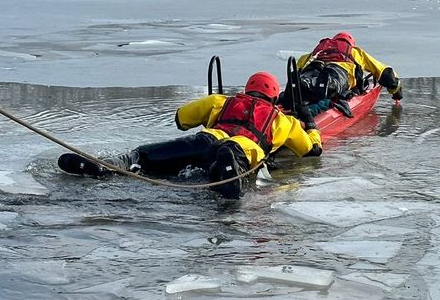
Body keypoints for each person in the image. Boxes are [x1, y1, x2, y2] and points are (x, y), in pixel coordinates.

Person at [58, 72, 321, 197]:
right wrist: (310, 123)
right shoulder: (283, 120)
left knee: (143, 157)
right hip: (241, 148)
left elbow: (181, 119)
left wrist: (211, 109)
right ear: (274, 96)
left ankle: (112, 165)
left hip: (205, 140)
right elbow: (311, 151)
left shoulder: (222, 101)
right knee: (230, 161)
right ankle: (226, 170)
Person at [287, 32, 402, 119]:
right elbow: (385, 72)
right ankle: (328, 86)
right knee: (333, 83)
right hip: (339, 71)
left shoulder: (318, 51)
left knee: (306, 80)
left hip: (313, 67)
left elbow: (299, 68)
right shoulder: (355, 51)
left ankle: (306, 85)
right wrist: (396, 91)